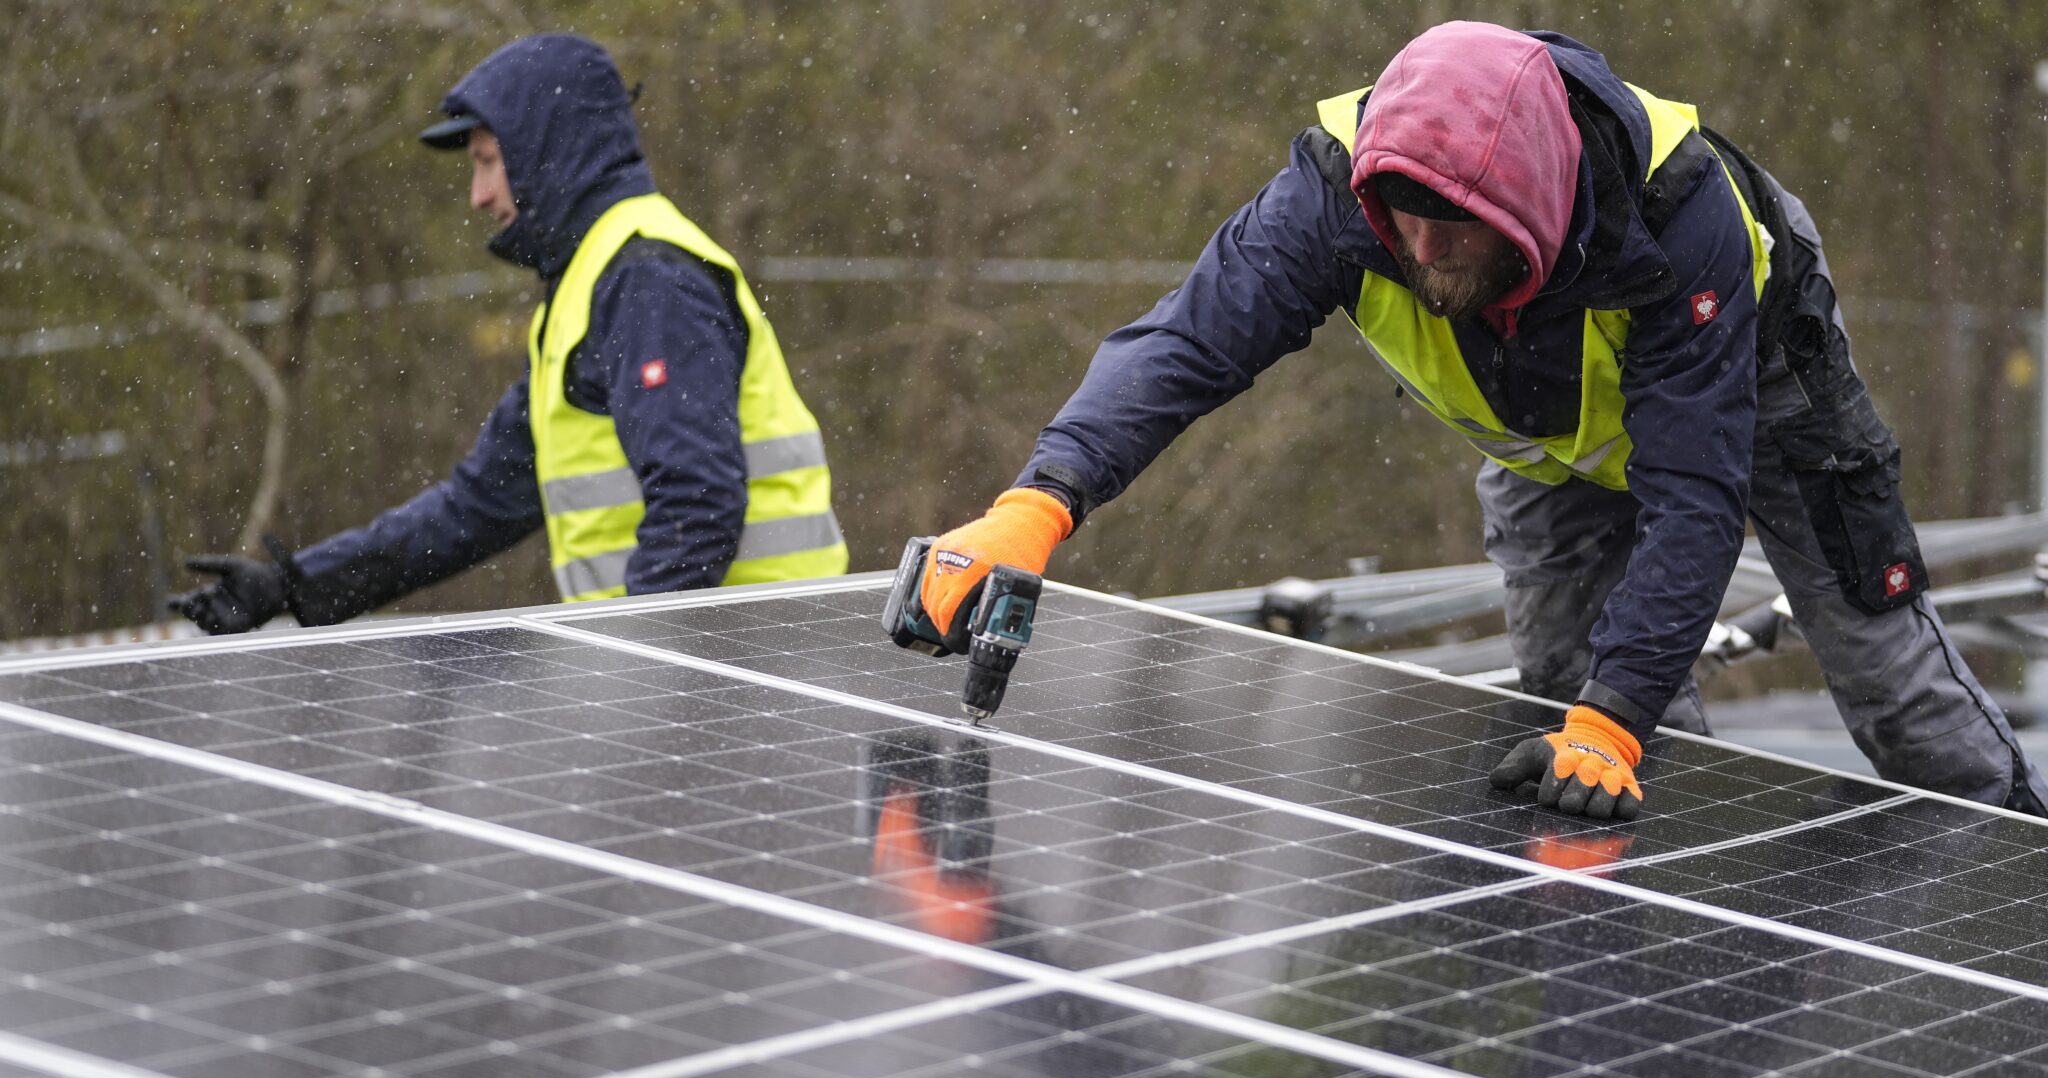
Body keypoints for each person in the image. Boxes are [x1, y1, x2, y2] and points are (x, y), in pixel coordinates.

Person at [910, 21, 2048, 821]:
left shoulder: (1678, 214)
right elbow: (1184, 347)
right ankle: (1653, 972)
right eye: (1400, 223)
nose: (1419, 254)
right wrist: (1037, 503)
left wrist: (1617, 718)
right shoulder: (1333, 198)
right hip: (1541, 433)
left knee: (1895, 700)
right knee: (1568, 701)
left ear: (1534, 207)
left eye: (1453, 231)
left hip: (1754, 387)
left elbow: (1692, 498)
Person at [172, 33, 847, 635]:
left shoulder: (645, 280)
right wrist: (292, 584)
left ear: (548, 153)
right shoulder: (590, 286)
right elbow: (478, 505)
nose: (477, 193)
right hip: (716, 673)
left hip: (758, 671)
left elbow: (696, 505)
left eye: (488, 160)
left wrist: (643, 672)